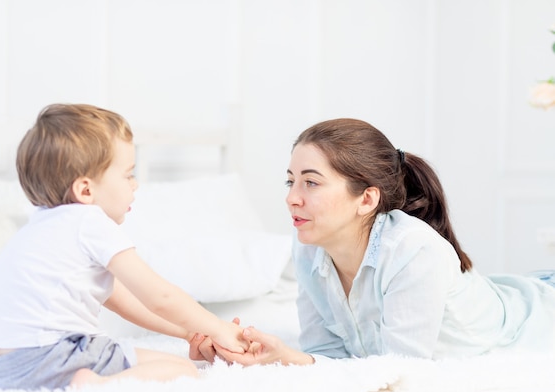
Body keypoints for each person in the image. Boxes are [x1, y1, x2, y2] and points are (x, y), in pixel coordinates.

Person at [192, 118, 555, 366]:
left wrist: (291, 358)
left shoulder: (414, 251)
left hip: (540, 316)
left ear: (366, 199)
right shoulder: (307, 246)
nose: (292, 198)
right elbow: (328, 354)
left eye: (311, 182)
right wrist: (261, 356)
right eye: (291, 181)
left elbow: (400, 372)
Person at [0, 103, 248, 390]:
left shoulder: (41, 227)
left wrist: (190, 333)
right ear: (86, 190)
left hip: (4, 367)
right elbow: (160, 297)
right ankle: (94, 386)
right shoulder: (89, 221)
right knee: (182, 370)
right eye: (128, 174)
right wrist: (217, 327)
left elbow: (121, 300)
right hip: (54, 355)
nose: (135, 184)